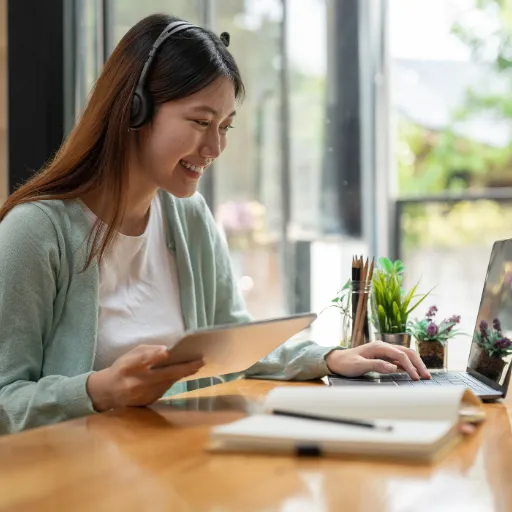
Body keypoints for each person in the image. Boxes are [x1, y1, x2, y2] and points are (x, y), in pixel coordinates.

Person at [0, 14, 430, 435]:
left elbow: (234, 342)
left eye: (224, 126)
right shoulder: (35, 233)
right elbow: (6, 401)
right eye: (201, 122)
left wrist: (331, 357)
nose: (215, 146)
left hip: (179, 466)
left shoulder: (188, 218)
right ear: (134, 109)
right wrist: (99, 390)